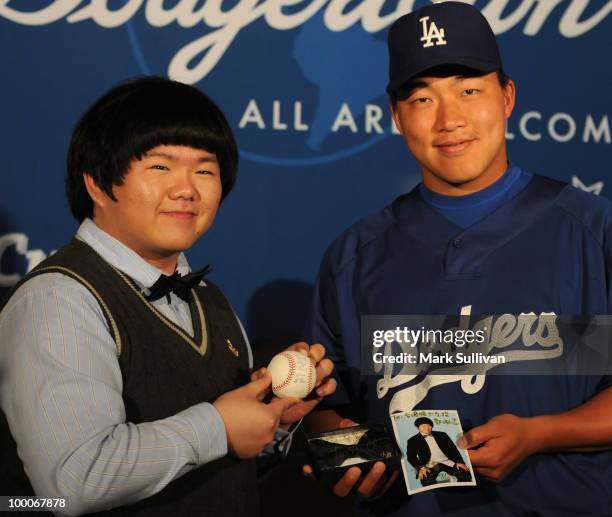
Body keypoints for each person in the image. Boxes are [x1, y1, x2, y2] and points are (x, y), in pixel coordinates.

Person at [304, 2, 612, 515]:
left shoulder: (594, 230)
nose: (450, 120)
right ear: (397, 116)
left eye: (469, 91)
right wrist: (352, 455)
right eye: (423, 98)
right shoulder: (354, 255)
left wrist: (538, 435)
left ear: (507, 96)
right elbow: (327, 408)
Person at [0, 76, 335, 516]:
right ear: (97, 185)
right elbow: (73, 481)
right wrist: (217, 425)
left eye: (204, 170)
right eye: (160, 167)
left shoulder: (209, 299)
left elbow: (219, 472)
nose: (186, 189)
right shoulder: (59, 300)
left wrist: (272, 422)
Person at [406, 417, 471, 487]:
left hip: (448, 462)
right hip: (429, 465)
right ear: (417, 427)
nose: (427, 428)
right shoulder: (413, 440)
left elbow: (453, 449)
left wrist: (459, 462)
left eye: (429, 426)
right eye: (424, 426)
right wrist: (421, 468)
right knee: (427, 482)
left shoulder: (442, 435)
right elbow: (411, 456)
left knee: (465, 476)